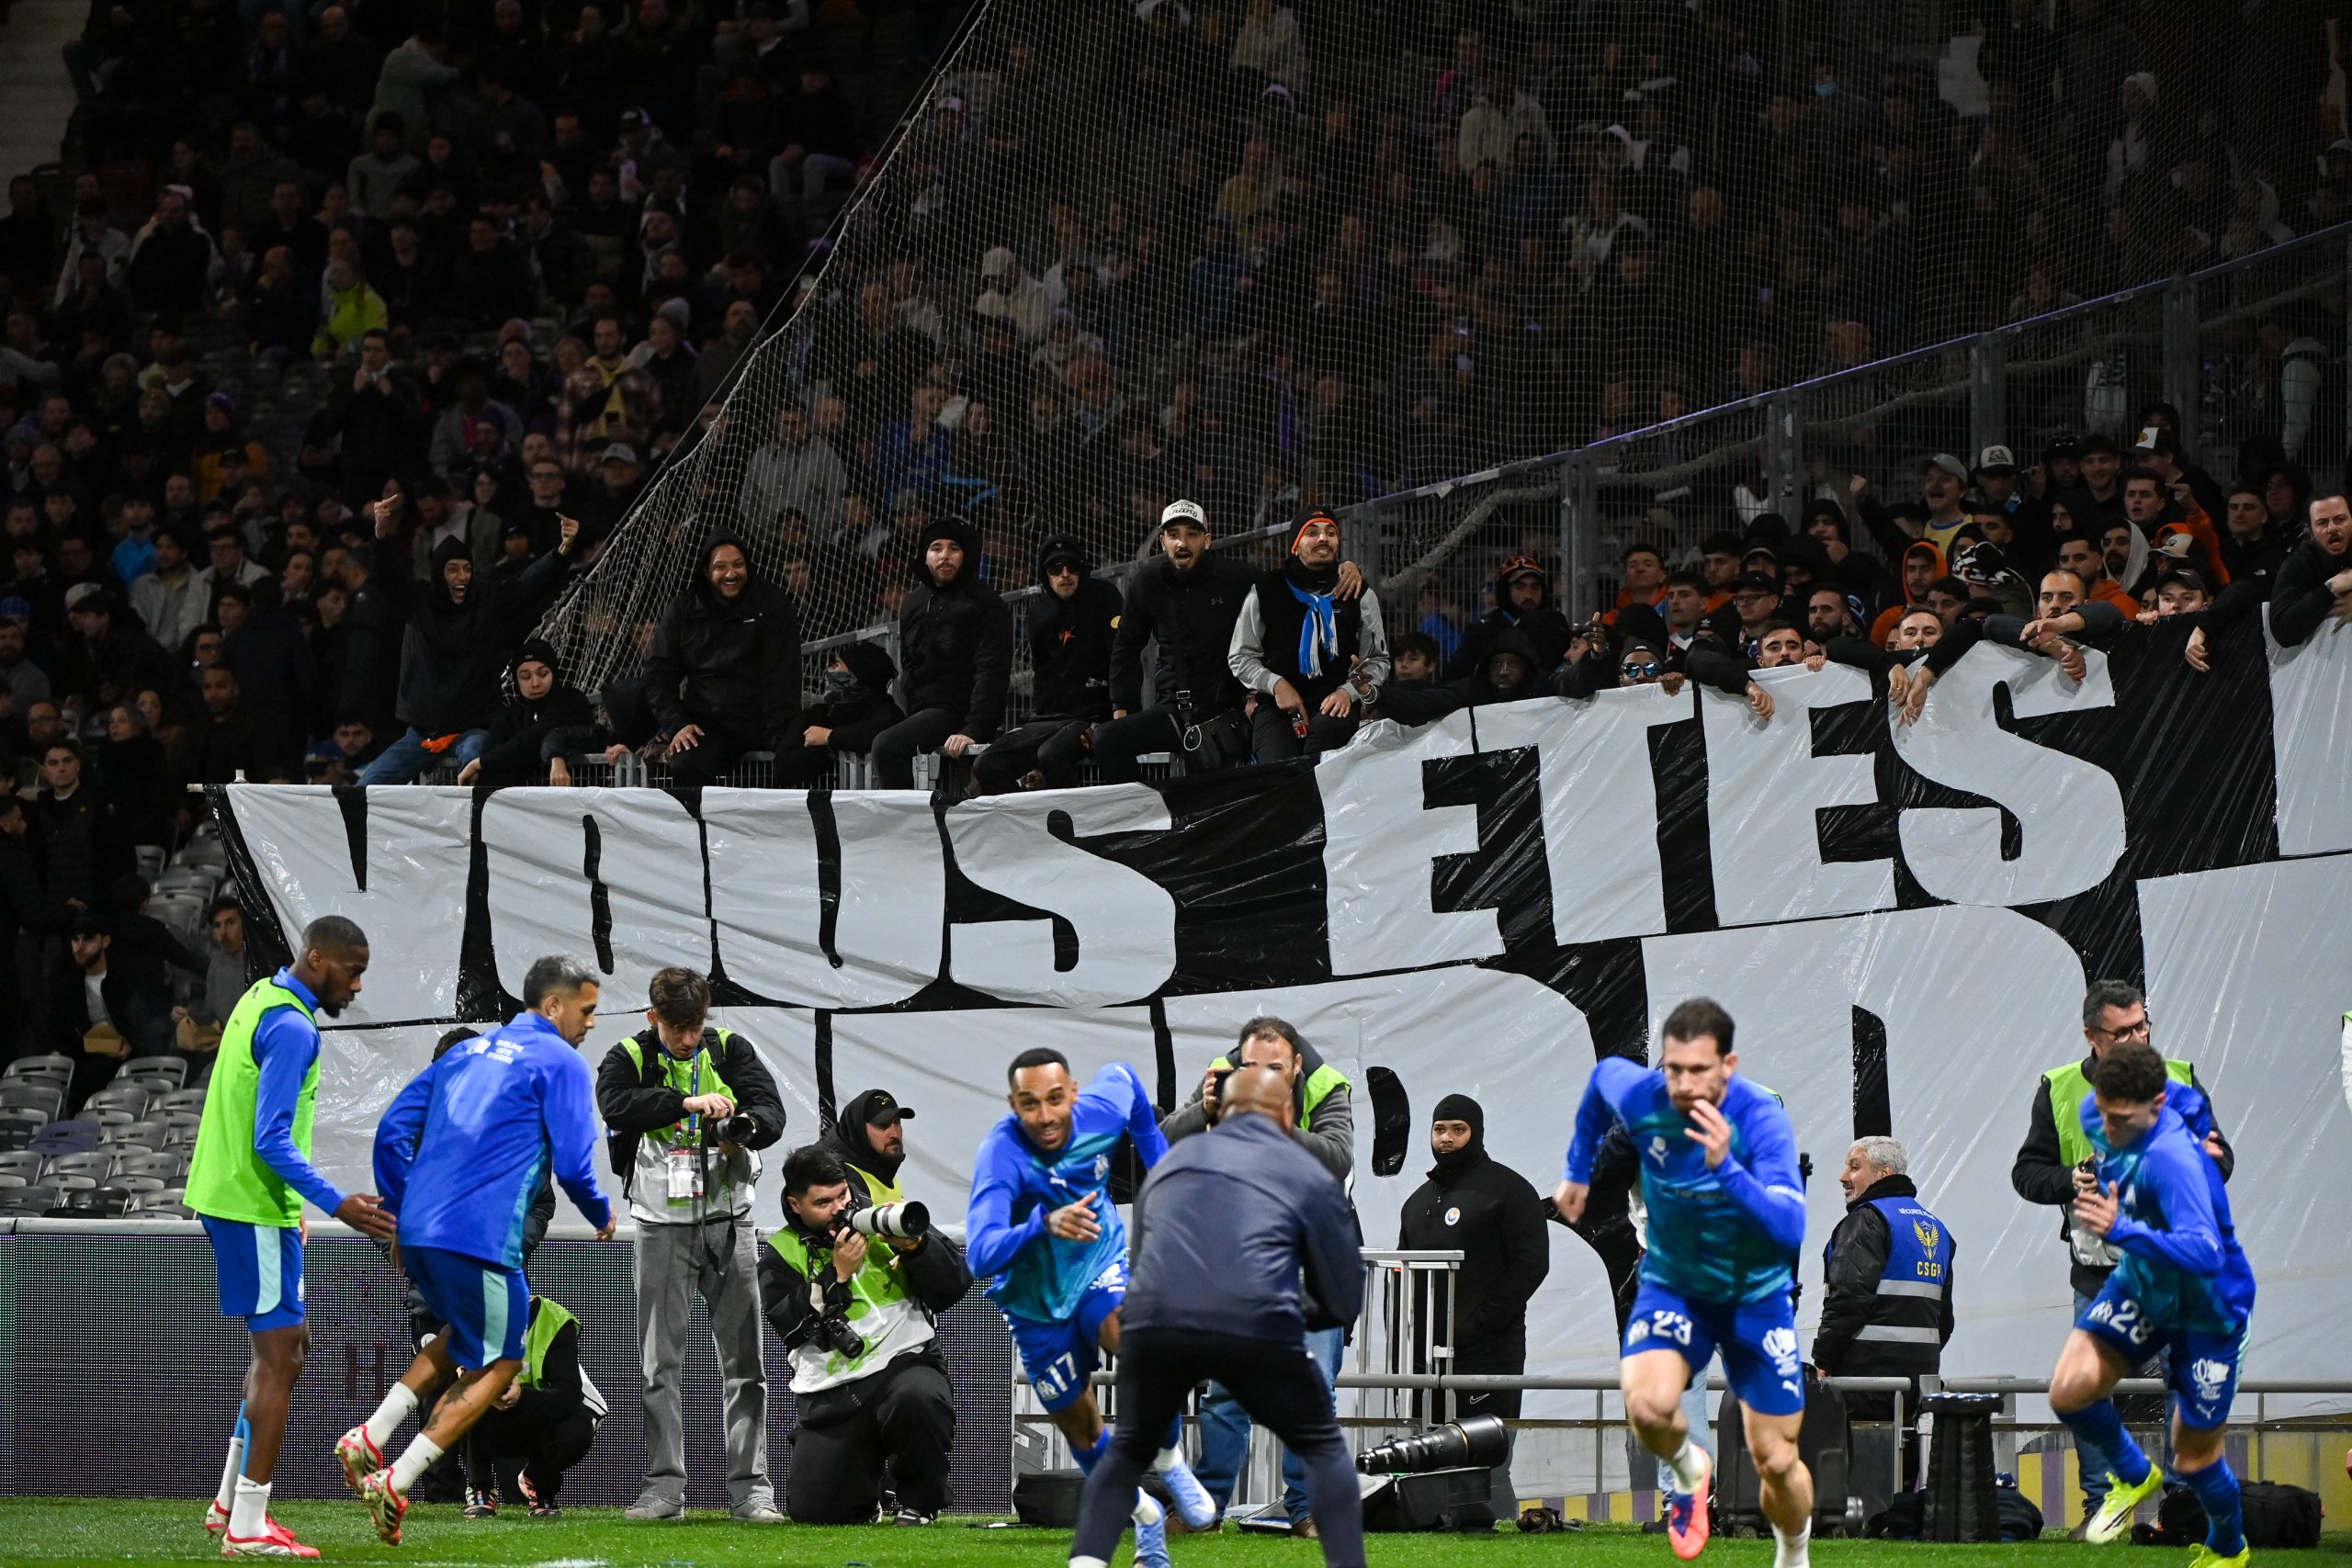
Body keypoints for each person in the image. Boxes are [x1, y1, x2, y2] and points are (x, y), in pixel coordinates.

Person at [341, 953, 616, 1546]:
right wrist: (600, 1214)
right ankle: (397, 1480)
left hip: (418, 1233)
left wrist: (400, 1215)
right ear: (554, 1005)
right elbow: (573, 1166)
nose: (592, 1022)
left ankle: (370, 1436)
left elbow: (392, 1132)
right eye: (588, 1009)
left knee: (462, 1338)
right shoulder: (560, 1061)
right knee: (503, 1362)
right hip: (481, 1239)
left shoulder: (466, 1053)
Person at [1068, 1064, 1367, 1568]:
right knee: (1322, 1445)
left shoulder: (1170, 1165)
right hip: (1255, 1323)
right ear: (1287, 1115)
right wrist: (1292, 1313)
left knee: (1127, 1452)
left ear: (1220, 1113)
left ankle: (1087, 1562)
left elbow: (1143, 1262)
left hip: (1158, 1327)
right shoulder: (1306, 1172)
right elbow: (1342, 1296)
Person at [1555, 998, 1813, 1566]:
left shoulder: (1761, 1117)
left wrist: (1727, 1169)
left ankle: (1794, 1550)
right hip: (1675, 1281)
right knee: (1649, 1406)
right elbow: (1601, 1092)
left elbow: (1788, 1224)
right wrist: (1584, 1167)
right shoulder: (1644, 1103)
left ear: (1727, 1068)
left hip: (1753, 1290)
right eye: (1674, 1072)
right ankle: (1688, 1475)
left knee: (1776, 1458)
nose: (1685, 1087)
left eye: (1699, 1072)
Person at [185, 915, 397, 1559]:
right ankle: (248, 1526)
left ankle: (229, 1503)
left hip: (247, 1200)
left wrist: (290, 1207)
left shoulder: (261, 995)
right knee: (281, 1359)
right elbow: (270, 1137)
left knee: (287, 1348)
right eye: (352, 971)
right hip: (249, 1204)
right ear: (317, 958)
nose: (357, 986)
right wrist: (338, 1204)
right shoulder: (294, 1027)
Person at [967, 1049, 1215, 1567]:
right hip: (1035, 1305)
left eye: (1055, 1099)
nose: (1045, 1115)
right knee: (1082, 1428)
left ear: (1074, 1093)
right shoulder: (1001, 1153)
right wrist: (1043, 1224)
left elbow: (1128, 1081)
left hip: (1097, 1265)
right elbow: (980, 1253)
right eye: (1030, 1104)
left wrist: (1162, 1171)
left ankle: (1169, 1458)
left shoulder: (1103, 1108)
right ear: (1013, 1105)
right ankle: (1144, 1512)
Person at [2012, 977, 2232, 1530]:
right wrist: (2070, 1178)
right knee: (2086, 1388)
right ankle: (2101, 1507)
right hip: (2098, 1274)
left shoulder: (2179, 1079)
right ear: (2092, 1036)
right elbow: (2027, 1173)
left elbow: (2222, 1160)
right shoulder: (2059, 1088)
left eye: (2142, 1027)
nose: (2136, 1040)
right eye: (2122, 1033)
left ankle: (2181, 1512)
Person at [2048, 1041, 2256, 1567]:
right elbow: (2185, 1101)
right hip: (2143, 1285)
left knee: (2194, 1456)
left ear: (2156, 1105)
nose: (2108, 1130)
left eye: (2122, 1121)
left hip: (2208, 1308)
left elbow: (2205, 1254)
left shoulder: (2174, 1161)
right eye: (2105, 1115)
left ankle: (2229, 1548)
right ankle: (2135, 1473)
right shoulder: (2099, 1111)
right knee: (2069, 1392)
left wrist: (2121, 1229)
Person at [594, 964, 787, 1522]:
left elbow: (772, 1112)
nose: (687, 1037)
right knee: (659, 1367)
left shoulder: (729, 1048)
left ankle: (751, 1491)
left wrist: (742, 1127)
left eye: (695, 1025)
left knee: (746, 1364)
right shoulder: (629, 1056)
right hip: (660, 1226)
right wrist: (686, 1104)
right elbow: (615, 1105)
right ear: (653, 1016)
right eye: (676, 1026)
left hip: (731, 1224)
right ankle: (664, 1490)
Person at [1159, 1017, 1353, 1530]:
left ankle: (1308, 1509)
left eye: (1274, 1068)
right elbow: (1162, 1145)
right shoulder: (1221, 1079)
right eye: (1251, 1066)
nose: (1261, 1076)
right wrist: (1203, 1111)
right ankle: (1206, 1507)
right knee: (1225, 1391)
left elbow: (1338, 1159)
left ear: (1296, 1065)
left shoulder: (1325, 1086)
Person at [760, 1142, 971, 1524]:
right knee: (815, 1513)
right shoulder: (781, 1252)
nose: (839, 1208)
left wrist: (917, 1247)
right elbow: (791, 1327)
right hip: (834, 1391)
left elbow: (956, 1283)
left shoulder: (884, 1217)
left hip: (904, 1363)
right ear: (795, 1204)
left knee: (919, 1397)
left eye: (842, 1195)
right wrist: (835, 1276)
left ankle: (919, 1503)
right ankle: (865, 1496)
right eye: (823, 1202)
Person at [1396, 1093, 1550, 1508]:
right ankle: (1431, 1522)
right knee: (1428, 1456)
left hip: (1490, 1354)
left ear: (1476, 1133)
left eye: (1458, 1130)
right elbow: (1402, 1274)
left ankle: (1496, 1524)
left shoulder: (1508, 1190)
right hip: (1426, 1359)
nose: (1446, 1138)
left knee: (1488, 1460)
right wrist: (1406, 1340)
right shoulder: (1417, 1203)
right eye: (1439, 1130)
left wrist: (1480, 1324)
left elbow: (1532, 1264)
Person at [357, 495, 579, 784]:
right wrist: (381, 534)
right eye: (453, 569)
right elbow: (390, 576)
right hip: (422, 734)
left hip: (472, 730)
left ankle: (473, 816)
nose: (462, 576)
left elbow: (527, 585)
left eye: (467, 568)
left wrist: (561, 552)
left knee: (476, 774)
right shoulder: (418, 602)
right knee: (366, 787)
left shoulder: (487, 600)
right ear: (439, 572)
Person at [1811, 1136, 1953, 1487]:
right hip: (1918, 1382)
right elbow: (1944, 1319)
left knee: (1862, 1487)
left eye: (1855, 1167)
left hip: (1864, 1382)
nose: (1843, 1177)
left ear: (1884, 1173)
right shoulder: (1936, 1228)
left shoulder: (1867, 1221)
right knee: (1901, 1485)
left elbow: (1847, 1300)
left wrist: (1823, 1359)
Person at [626, 534, 804, 789]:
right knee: (686, 763)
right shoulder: (684, 608)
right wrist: (678, 724)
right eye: (721, 566)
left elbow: (783, 677)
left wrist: (781, 734)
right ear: (706, 571)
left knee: (799, 762)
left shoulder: (772, 603)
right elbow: (658, 675)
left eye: (738, 564)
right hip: (706, 724)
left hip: (764, 722)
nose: (731, 574)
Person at [1227, 510, 1391, 761]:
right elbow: (1240, 656)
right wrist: (1276, 684)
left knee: (1326, 742)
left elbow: (1378, 660)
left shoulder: (1358, 592)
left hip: (1337, 703)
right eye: (1312, 533)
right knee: (1277, 767)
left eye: (1331, 533)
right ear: (1295, 545)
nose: (1323, 538)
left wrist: (1348, 692)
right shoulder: (1266, 590)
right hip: (1276, 704)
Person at [972, 535, 1121, 794]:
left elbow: (1122, 659)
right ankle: (1029, 816)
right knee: (986, 764)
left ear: (1082, 568)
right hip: (1047, 719)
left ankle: (1070, 818)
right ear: (1045, 574)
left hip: (1091, 717)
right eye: (1056, 568)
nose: (1065, 574)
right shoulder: (1039, 611)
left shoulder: (1104, 597)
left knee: (1051, 754)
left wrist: (1121, 710)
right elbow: (1042, 673)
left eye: (1072, 566)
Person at [872, 517, 1012, 789]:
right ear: (925, 556)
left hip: (957, 711)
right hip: (921, 712)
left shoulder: (986, 603)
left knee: (886, 746)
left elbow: (992, 671)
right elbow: (909, 664)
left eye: (954, 548)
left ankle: (908, 816)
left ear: (966, 554)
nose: (944, 555)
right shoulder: (912, 602)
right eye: (936, 548)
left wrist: (974, 727)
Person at [458, 1295, 605, 1519]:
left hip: (540, 1417)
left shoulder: (555, 1321)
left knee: (578, 1426)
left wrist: (521, 1396)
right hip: (490, 1418)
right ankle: (480, 1488)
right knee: (464, 1397)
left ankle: (540, 1484)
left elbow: (568, 1395)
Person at [49, 911, 176, 1107]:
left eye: (88, 940)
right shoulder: (68, 984)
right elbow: (62, 1032)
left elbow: (150, 1022)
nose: (79, 947)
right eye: (75, 940)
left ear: (105, 941)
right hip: (90, 1058)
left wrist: (130, 1045)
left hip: (133, 1054)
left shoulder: (127, 977)